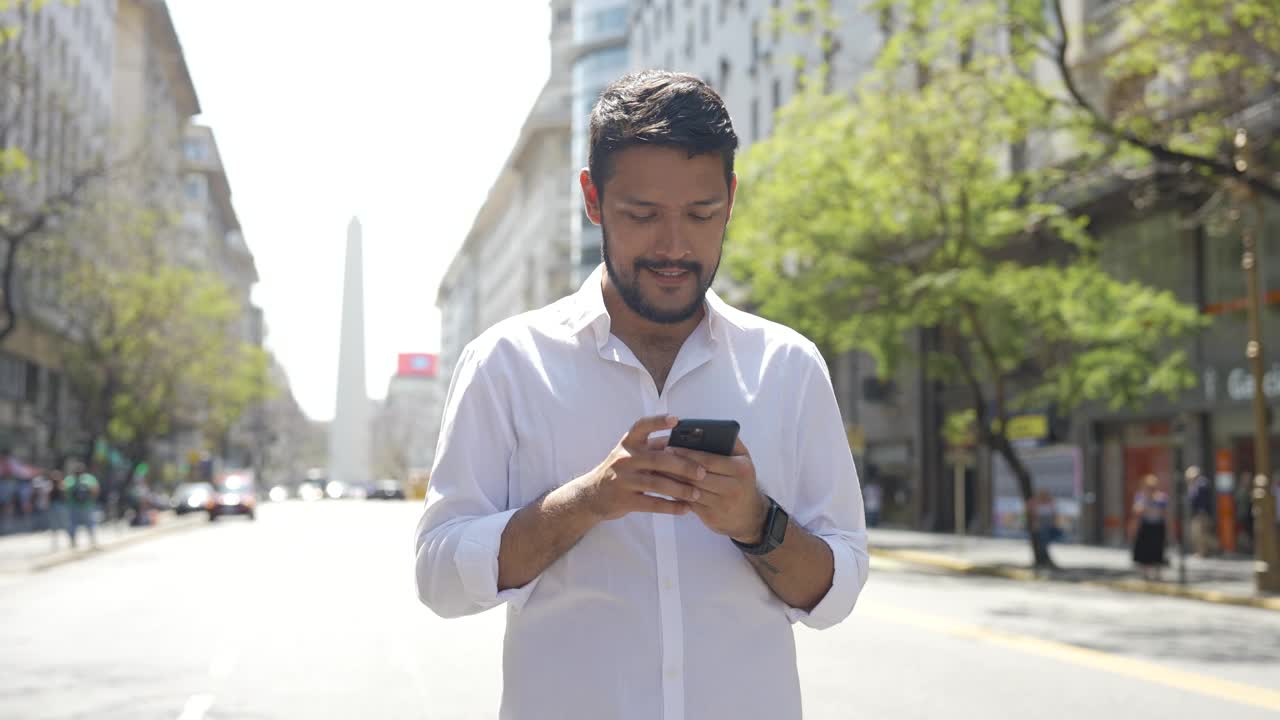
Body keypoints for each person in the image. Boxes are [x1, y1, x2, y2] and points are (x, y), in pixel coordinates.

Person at [414, 70, 869, 719]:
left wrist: (753, 521)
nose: (675, 246)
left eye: (702, 214)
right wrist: (587, 500)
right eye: (643, 215)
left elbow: (839, 589)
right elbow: (438, 579)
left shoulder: (789, 367)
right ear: (593, 200)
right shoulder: (506, 363)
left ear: (731, 200)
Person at [1131, 474, 1169, 580]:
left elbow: (1165, 513)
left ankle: (1158, 573)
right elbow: (1136, 511)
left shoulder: (1161, 498)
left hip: (1157, 526)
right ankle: (1145, 573)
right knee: (1144, 550)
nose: (1150, 489)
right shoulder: (1141, 497)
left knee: (1157, 549)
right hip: (1146, 526)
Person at [64, 460, 100, 549]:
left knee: (73, 524)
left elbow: (64, 491)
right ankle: (92, 542)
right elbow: (96, 490)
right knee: (89, 524)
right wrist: (92, 499)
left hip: (73, 505)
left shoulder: (70, 479)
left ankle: (73, 543)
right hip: (87, 505)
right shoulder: (89, 478)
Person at [1186, 465, 1215, 557]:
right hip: (1197, 513)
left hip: (1201, 513)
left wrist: (1202, 512)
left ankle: (1205, 551)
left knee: (1200, 534)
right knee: (1198, 534)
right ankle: (1202, 551)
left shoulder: (1202, 484)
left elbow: (1202, 499)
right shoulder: (1194, 484)